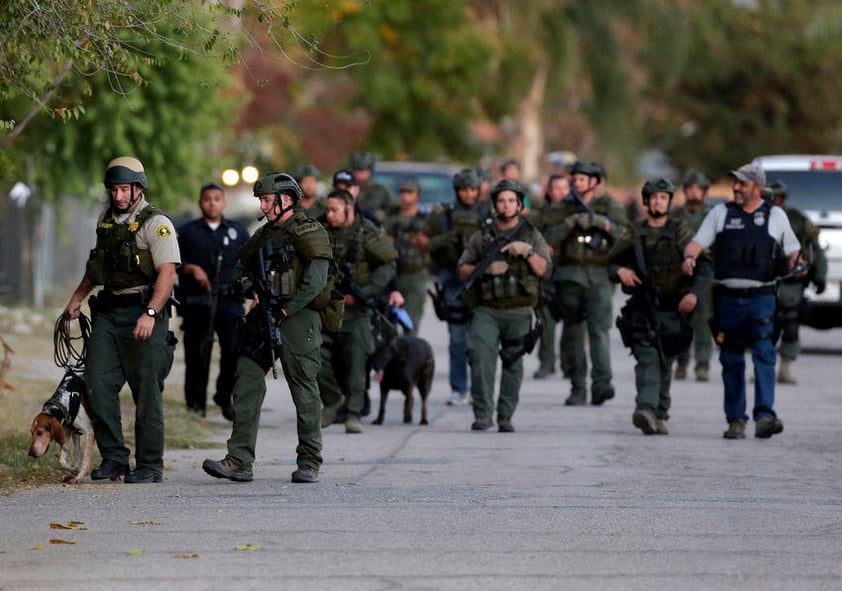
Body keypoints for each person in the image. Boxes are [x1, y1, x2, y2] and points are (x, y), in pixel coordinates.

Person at [202, 172, 331, 484]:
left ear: (285, 200)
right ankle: (239, 460)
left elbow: (317, 279)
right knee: (246, 377)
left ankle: (309, 461)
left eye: (266, 199)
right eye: (260, 199)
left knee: (303, 387)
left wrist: (288, 308)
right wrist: (251, 289)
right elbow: (238, 265)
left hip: (298, 318)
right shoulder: (264, 233)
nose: (261, 204)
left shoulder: (309, 229)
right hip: (264, 314)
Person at [64, 156, 180, 484]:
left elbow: (167, 274)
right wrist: (77, 298)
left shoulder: (157, 224)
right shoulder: (107, 221)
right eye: (113, 189)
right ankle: (114, 458)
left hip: (144, 310)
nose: (118, 196)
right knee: (97, 382)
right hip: (109, 312)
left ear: (138, 189)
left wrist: (151, 313)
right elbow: (96, 268)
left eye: (124, 189)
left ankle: (149, 464)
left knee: (146, 390)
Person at [683, 163, 802, 440]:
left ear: (757, 188)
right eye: (734, 183)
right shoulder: (720, 213)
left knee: (764, 354)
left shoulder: (775, 216)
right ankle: (736, 420)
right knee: (731, 360)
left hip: (761, 299)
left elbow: (793, 250)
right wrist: (689, 256)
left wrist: (798, 263)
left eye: (742, 184)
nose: (736, 188)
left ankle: (765, 416)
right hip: (727, 301)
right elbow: (697, 243)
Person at [610, 179, 712, 435]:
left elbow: (705, 266)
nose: (658, 202)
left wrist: (694, 295)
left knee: (666, 361)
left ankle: (660, 412)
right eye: (653, 198)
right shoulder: (634, 232)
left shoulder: (681, 231)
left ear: (669, 202)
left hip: (673, 307)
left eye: (663, 198)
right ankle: (645, 409)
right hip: (644, 307)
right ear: (646, 201)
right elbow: (609, 260)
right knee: (647, 359)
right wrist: (619, 270)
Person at [458, 180, 550, 432]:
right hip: (487, 309)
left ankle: (505, 415)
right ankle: (483, 414)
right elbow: (462, 269)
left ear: (519, 204)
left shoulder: (532, 234)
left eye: (511, 200)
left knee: (512, 362)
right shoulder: (482, 237)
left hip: (520, 310)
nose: (506, 205)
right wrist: (484, 267)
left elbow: (544, 270)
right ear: (494, 205)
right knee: (480, 358)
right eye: (501, 201)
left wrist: (528, 253)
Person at [545, 159, 628, 406]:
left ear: (594, 182)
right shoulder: (562, 208)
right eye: (575, 179)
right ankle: (577, 386)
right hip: (569, 277)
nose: (578, 183)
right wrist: (570, 224)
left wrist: (605, 224)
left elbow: (628, 236)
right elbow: (547, 240)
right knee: (573, 332)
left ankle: (602, 383)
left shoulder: (609, 205)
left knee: (599, 331)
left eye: (583, 179)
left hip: (599, 277)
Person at [318, 189, 398, 434]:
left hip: (356, 310)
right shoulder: (320, 231)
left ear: (348, 210)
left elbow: (389, 263)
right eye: (328, 209)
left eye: (334, 210)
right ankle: (332, 400)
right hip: (326, 308)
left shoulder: (367, 232)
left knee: (357, 361)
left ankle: (354, 413)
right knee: (312, 355)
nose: (329, 214)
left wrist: (368, 291)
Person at [417, 168, 492, 406]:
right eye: (464, 190)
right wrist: (445, 240)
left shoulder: (487, 213)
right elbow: (421, 241)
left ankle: (481, 389)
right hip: (453, 281)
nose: (469, 194)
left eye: (473, 189)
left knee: (481, 340)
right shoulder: (443, 213)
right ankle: (460, 388)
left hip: (482, 282)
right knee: (458, 339)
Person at [176, 183, 249, 420]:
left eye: (217, 198)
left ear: (224, 202)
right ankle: (195, 406)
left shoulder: (238, 232)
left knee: (233, 350)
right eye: (207, 198)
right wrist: (191, 269)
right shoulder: (187, 232)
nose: (212, 203)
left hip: (230, 300)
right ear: (200, 202)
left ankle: (224, 396)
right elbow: (174, 262)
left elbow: (248, 265)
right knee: (197, 352)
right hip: (198, 301)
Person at [764, 179, 827, 384]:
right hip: (763, 280)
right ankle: (763, 368)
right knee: (764, 326)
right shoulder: (756, 218)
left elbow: (815, 250)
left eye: (777, 198)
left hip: (791, 280)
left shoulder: (798, 220)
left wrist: (820, 276)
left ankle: (785, 367)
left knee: (790, 322)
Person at [670, 170, 714, 381]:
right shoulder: (676, 216)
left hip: (704, 275)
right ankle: (682, 361)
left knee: (703, 322)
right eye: (690, 189)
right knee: (680, 321)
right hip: (679, 275)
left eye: (698, 189)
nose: (694, 193)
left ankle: (702, 364)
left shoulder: (712, 215)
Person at [529, 173, 570, 379]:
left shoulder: (576, 213)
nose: (561, 192)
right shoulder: (542, 215)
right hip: (548, 274)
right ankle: (547, 361)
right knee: (545, 319)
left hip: (571, 273)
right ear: (548, 191)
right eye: (556, 188)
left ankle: (568, 362)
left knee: (573, 322)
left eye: (565, 188)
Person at [385, 177, 429, 331]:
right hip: (394, 274)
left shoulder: (426, 220)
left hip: (416, 275)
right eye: (403, 192)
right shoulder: (391, 219)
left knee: (411, 323)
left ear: (417, 195)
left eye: (409, 192)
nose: (405, 196)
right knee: (388, 325)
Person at [349, 151, 394, 222]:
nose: (360, 174)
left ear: (370, 170)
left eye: (363, 170)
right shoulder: (346, 189)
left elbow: (394, 210)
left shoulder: (381, 190)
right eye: (357, 170)